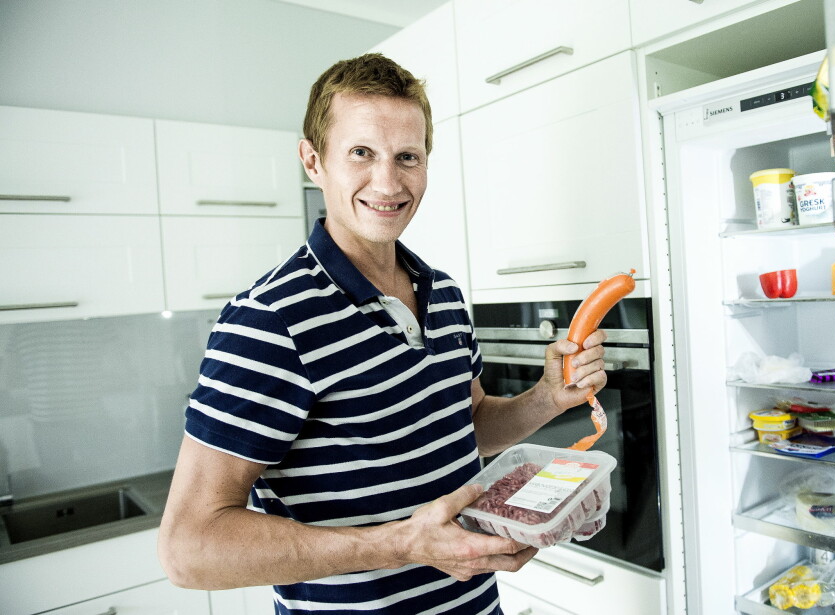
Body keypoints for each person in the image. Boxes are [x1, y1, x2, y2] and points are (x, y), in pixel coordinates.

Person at [157, 53, 610, 615]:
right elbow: (188, 548)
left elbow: (464, 428)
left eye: (407, 157)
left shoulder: (441, 293)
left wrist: (545, 399)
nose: (388, 182)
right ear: (312, 160)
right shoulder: (270, 319)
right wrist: (402, 543)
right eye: (361, 154)